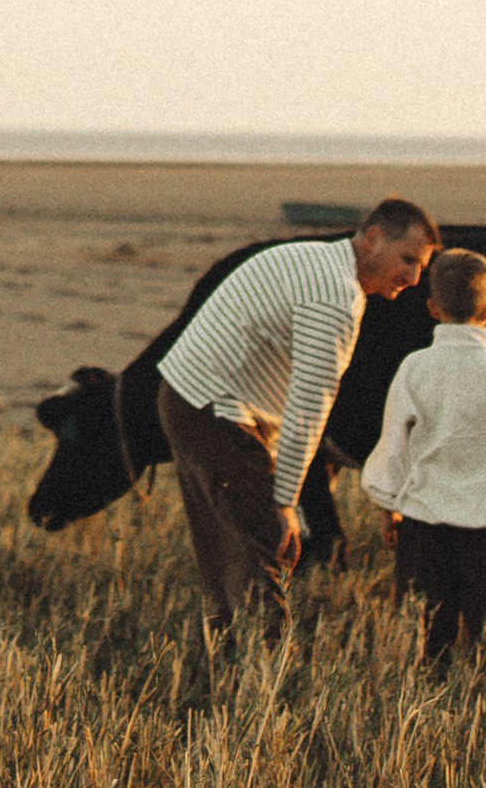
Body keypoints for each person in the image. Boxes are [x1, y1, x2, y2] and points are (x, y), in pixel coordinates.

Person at [153, 200, 439, 630]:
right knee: (263, 549)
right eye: (407, 260)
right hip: (215, 409)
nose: (414, 279)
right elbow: (310, 403)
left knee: (226, 556)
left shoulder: (319, 260)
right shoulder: (336, 296)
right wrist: (286, 502)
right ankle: (260, 673)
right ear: (374, 238)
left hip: (186, 397)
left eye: (421, 266)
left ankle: (229, 663)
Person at [360, 245, 486, 659]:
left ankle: (428, 714)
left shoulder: (414, 367)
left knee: (425, 645)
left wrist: (389, 505)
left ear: (431, 307)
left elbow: (394, 447)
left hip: (424, 530)